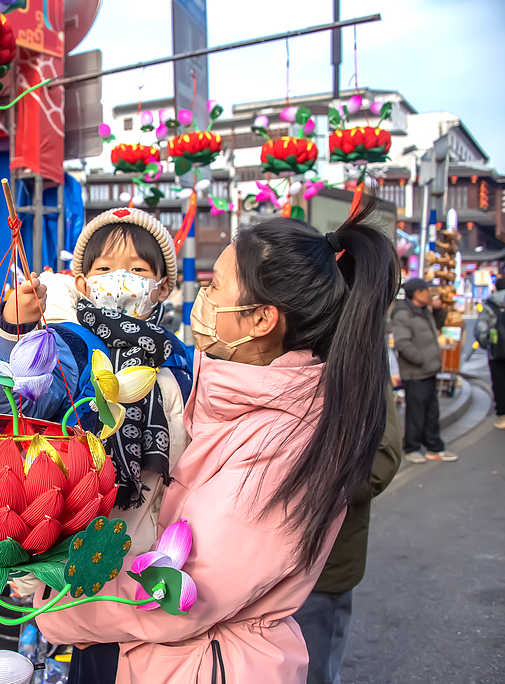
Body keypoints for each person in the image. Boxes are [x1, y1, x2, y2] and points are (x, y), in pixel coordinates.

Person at [32, 201, 400, 684]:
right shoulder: (233, 392)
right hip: (159, 654)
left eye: (215, 286)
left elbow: (181, 598)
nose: (203, 297)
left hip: (206, 664)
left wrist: (56, 609)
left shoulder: (280, 443)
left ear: (260, 320)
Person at [0, 208, 192, 684]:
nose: (122, 280)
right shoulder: (68, 347)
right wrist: (14, 333)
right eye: (106, 269)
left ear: (161, 288)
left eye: (138, 270)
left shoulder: (178, 363)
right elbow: (10, 403)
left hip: (156, 564)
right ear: (84, 283)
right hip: (79, 563)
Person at [292, 387, 401, 684]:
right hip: (255, 565)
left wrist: (308, 489)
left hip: (321, 562)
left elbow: (382, 458)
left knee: (315, 671)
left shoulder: (357, 355)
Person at [391, 278, 458, 463]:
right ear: (418, 293)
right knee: (416, 412)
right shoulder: (403, 313)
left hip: (429, 371)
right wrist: (421, 360)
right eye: (426, 291)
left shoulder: (424, 311)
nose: (429, 294)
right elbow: (402, 343)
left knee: (431, 411)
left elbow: (438, 325)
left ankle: (434, 447)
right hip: (415, 372)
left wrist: (437, 309)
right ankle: (412, 448)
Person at [474, 275, 505, 429]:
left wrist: (486, 344)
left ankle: (502, 417)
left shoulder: (490, 304)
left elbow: (482, 329)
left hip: (497, 351)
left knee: (499, 383)